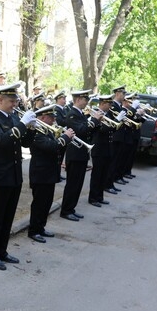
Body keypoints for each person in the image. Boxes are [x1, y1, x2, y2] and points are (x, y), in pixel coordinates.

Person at [0, 83, 35, 270]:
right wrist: (22, 124)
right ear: (0, 100)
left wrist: (31, 128)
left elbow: (25, 144)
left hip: (14, 174)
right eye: (12, 101)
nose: (15, 104)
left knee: (8, 216)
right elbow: (1, 141)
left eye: (16, 100)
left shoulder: (13, 117)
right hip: (0, 175)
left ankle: (2, 251)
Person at [26, 104, 74, 243]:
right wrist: (65, 138)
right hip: (40, 173)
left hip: (49, 172)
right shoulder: (36, 132)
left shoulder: (48, 130)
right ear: (42, 118)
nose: (54, 120)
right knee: (39, 203)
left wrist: (66, 139)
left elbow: (56, 148)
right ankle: (33, 230)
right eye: (51, 117)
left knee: (47, 203)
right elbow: (51, 147)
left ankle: (41, 227)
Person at [60, 89, 100, 222]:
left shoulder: (80, 114)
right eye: (85, 99)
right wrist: (94, 120)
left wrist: (96, 122)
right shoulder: (72, 114)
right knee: (72, 184)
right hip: (75, 154)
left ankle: (71, 208)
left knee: (78, 184)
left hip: (81, 153)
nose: (87, 102)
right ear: (77, 100)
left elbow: (88, 132)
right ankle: (66, 210)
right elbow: (81, 130)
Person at [88, 95, 115, 207]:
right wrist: (115, 121)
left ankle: (100, 196)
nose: (110, 106)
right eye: (108, 104)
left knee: (104, 174)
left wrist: (116, 122)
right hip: (98, 148)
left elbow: (113, 129)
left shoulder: (108, 114)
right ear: (102, 104)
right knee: (97, 174)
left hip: (107, 148)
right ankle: (93, 198)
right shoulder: (95, 114)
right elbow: (102, 129)